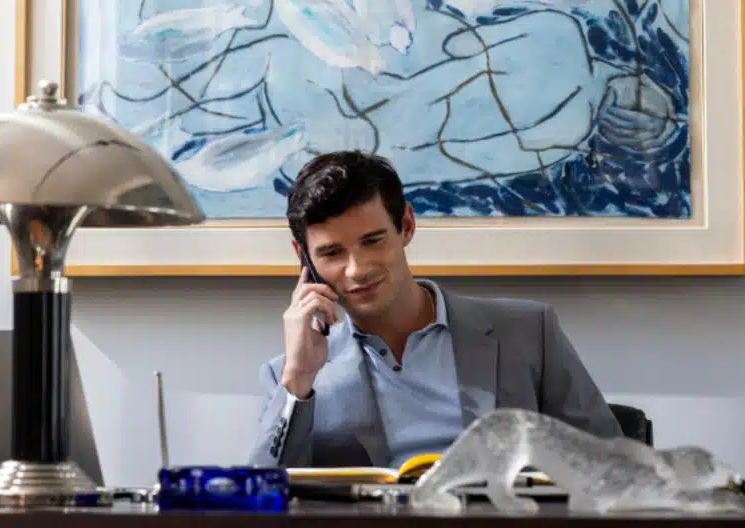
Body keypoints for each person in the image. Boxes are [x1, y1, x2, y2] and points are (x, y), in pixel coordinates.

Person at [246, 151, 623, 469]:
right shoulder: (291, 375)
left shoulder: (529, 331)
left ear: (407, 226)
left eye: (373, 241)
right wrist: (299, 378)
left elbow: (613, 467)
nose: (357, 269)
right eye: (332, 253)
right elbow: (261, 501)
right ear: (304, 258)